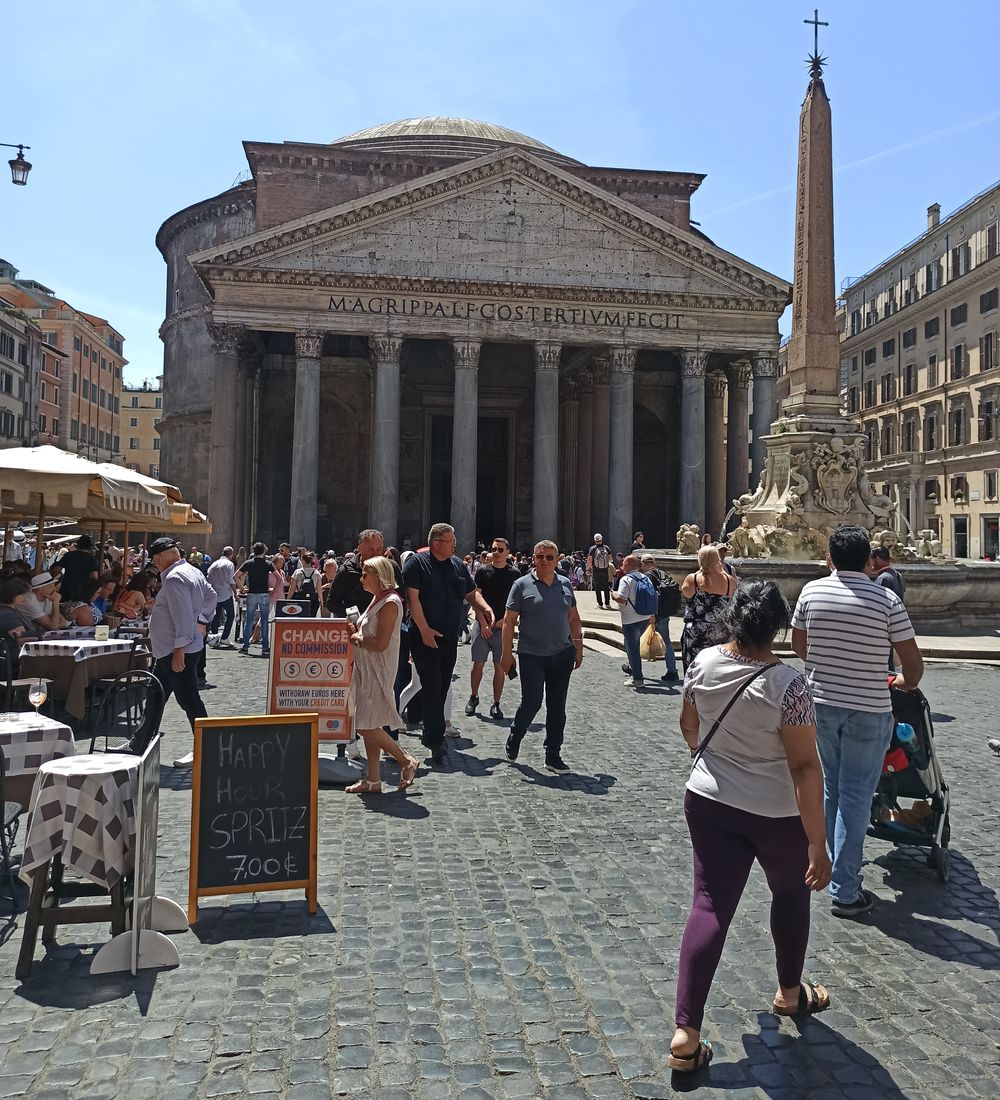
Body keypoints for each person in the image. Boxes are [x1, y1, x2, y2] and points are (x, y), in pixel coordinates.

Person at [671, 581, 831, 1073]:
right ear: (778, 627)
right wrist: (818, 843)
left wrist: (705, 756)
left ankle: (685, 1034)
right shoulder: (790, 686)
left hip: (709, 800)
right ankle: (788, 993)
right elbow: (805, 768)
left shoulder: (704, 662)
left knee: (709, 904)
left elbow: (688, 724)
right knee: (789, 895)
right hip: (776, 814)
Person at [791, 524, 923, 918]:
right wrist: (900, 680)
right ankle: (845, 889)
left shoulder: (811, 592)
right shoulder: (886, 600)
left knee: (831, 787)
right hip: (868, 708)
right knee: (854, 796)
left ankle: (829, 867)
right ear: (868, 559)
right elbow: (912, 665)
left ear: (830, 558)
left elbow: (801, 647)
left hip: (822, 706)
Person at [402, 523, 494, 766]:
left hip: (449, 637)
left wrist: (483, 607)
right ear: (435, 543)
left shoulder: (457, 565)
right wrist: (423, 630)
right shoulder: (417, 563)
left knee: (442, 687)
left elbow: (470, 592)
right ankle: (434, 740)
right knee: (432, 684)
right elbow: (414, 600)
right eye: (450, 541)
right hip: (424, 636)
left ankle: (432, 733)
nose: (455, 544)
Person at [500, 540, 583, 774]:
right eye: (540, 556)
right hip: (531, 654)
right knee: (532, 702)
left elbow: (574, 618)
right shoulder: (521, 585)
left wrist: (578, 647)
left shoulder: (566, 584)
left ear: (557, 560)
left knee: (557, 707)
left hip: (562, 653)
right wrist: (506, 654)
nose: (544, 560)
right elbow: (508, 622)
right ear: (533, 559)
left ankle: (553, 754)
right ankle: (517, 733)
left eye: (549, 557)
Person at [344, 556, 420, 794]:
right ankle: (373, 779)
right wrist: (356, 631)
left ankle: (405, 759)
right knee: (370, 721)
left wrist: (357, 638)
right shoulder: (377, 599)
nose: (361, 578)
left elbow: (381, 643)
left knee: (364, 725)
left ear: (380, 576)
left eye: (366, 574)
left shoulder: (391, 602)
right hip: (366, 666)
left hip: (379, 668)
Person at [147, 536, 217, 765]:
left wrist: (179, 648)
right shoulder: (192, 570)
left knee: (188, 699)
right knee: (156, 693)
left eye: (156, 559)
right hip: (176, 647)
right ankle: (141, 741)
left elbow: (182, 615)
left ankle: (206, 748)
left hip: (176, 649)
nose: (156, 563)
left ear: (160, 557)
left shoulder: (175, 577)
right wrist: (204, 621)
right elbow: (211, 596)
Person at [465, 537, 519, 720]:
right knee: (478, 663)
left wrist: (504, 621)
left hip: (502, 627)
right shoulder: (482, 571)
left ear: (507, 552)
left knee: (499, 667)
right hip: (483, 625)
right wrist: (483, 623)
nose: (496, 552)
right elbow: (476, 598)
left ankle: (496, 703)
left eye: (500, 549)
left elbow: (516, 603)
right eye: (494, 549)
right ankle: (474, 696)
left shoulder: (514, 574)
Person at [680, 544, 736, 671]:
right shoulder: (730, 581)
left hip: (696, 633)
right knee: (719, 671)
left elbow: (686, 593)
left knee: (694, 671)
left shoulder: (693, 579)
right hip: (722, 632)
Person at [611, 554, 656, 689]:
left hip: (630, 619)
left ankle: (637, 678)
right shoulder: (645, 578)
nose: (621, 566)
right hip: (644, 617)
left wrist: (614, 595)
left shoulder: (626, 579)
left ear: (629, 565)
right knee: (632, 647)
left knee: (633, 649)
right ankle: (632, 669)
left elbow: (622, 599)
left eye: (624, 563)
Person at [640, 553, 680, 683]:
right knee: (667, 641)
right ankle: (672, 670)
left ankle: (633, 667)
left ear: (644, 563)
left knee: (637, 639)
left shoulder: (648, 576)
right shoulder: (662, 573)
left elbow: (652, 596)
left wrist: (651, 615)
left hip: (653, 613)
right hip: (664, 613)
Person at [329, 529, 385, 616]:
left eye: (379, 549)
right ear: (359, 548)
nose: (375, 554)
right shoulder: (346, 570)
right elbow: (332, 603)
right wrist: (355, 615)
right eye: (370, 549)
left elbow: (401, 597)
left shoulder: (390, 568)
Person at [235, 542, 275, 657]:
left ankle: (246, 646)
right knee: (264, 621)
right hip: (264, 594)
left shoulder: (248, 563)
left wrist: (242, 588)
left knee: (248, 620)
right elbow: (278, 577)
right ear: (263, 551)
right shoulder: (268, 563)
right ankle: (265, 648)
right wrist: (273, 589)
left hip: (251, 594)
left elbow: (235, 576)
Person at [870, 546, 907, 671]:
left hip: (884, 627)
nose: (870, 563)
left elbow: (878, 604)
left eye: (872, 559)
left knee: (884, 663)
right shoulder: (897, 575)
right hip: (894, 625)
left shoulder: (883, 579)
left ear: (878, 559)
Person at [207, 546, 238, 647]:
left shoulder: (213, 564)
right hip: (226, 594)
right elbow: (231, 580)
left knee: (216, 616)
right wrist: (235, 594)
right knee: (230, 616)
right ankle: (224, 637)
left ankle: (214, 637)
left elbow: (208, 580)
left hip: (215, 594)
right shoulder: (229, 564)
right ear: (231, 554)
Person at [0, 575, 45, 643]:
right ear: (12, 594)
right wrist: (46, 637)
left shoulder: (9, 610)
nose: (25, 599)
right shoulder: (7, 614)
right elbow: (22, 639)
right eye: (23, 596)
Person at [58, 534, 99, 602]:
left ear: (78, 545)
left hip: (66, 587)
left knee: (63, 609)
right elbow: (94, 577)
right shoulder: (92, 559)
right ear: (89, 546)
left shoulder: (69, 555)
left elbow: (57, 569)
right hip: (82, 590)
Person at [287, 550, 321, 615]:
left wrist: (288, 599)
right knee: (311, 618)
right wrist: (321, 600)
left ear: (303, 560)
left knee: (299, 618)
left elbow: (292, 587)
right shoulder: (316, 573)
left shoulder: (297, 572)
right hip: (313, 598)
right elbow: (319, 588)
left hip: (299, 597)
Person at [586, 534, 613, 608]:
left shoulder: (592, 549)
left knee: (597, 587)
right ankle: (607, 603)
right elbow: (611, 559)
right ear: (602, 539)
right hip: (605, 570)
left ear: (595, 540)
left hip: (596, 570)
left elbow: (589, 560)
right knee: (606, 586)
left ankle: (600, 604)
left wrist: (587, 569)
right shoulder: (606, 547)